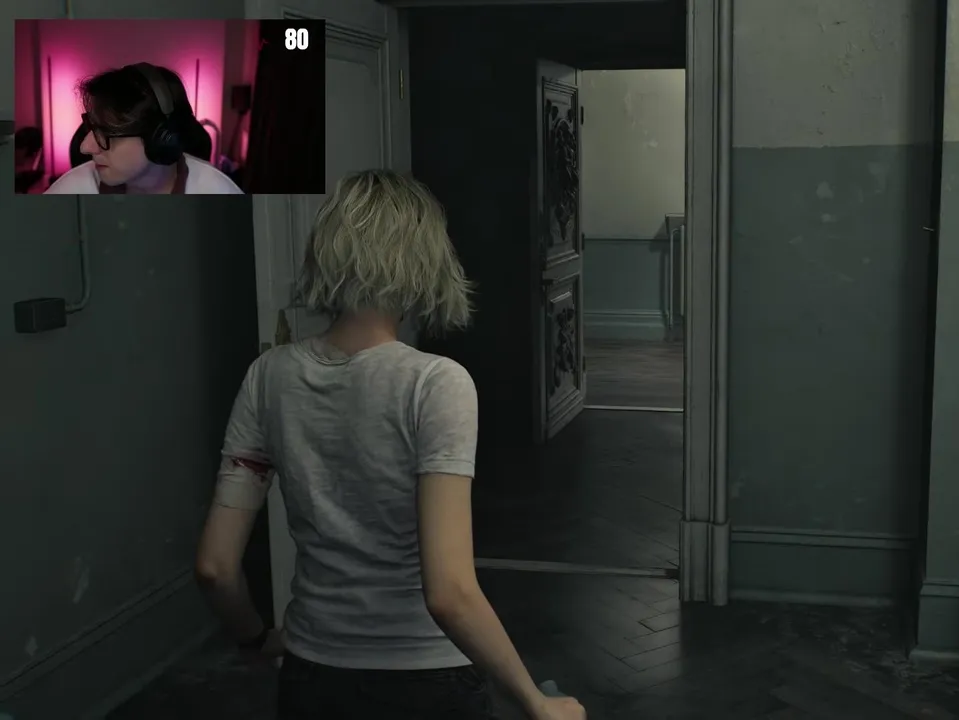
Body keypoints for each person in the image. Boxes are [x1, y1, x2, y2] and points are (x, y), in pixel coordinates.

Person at [193, 170, 585, 720]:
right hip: (426, 683)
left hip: (313, 677)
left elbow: (215, 567)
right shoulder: (435, 383)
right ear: (425, 261)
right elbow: (448, 592)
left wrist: (255, 639)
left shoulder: (268, 376)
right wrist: (534, 701)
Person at [45, 63, 240, 194]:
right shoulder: (69, 189)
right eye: (91, 127)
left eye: (107, 132)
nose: (85, 147)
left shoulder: (219, 192)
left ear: (161, 139)